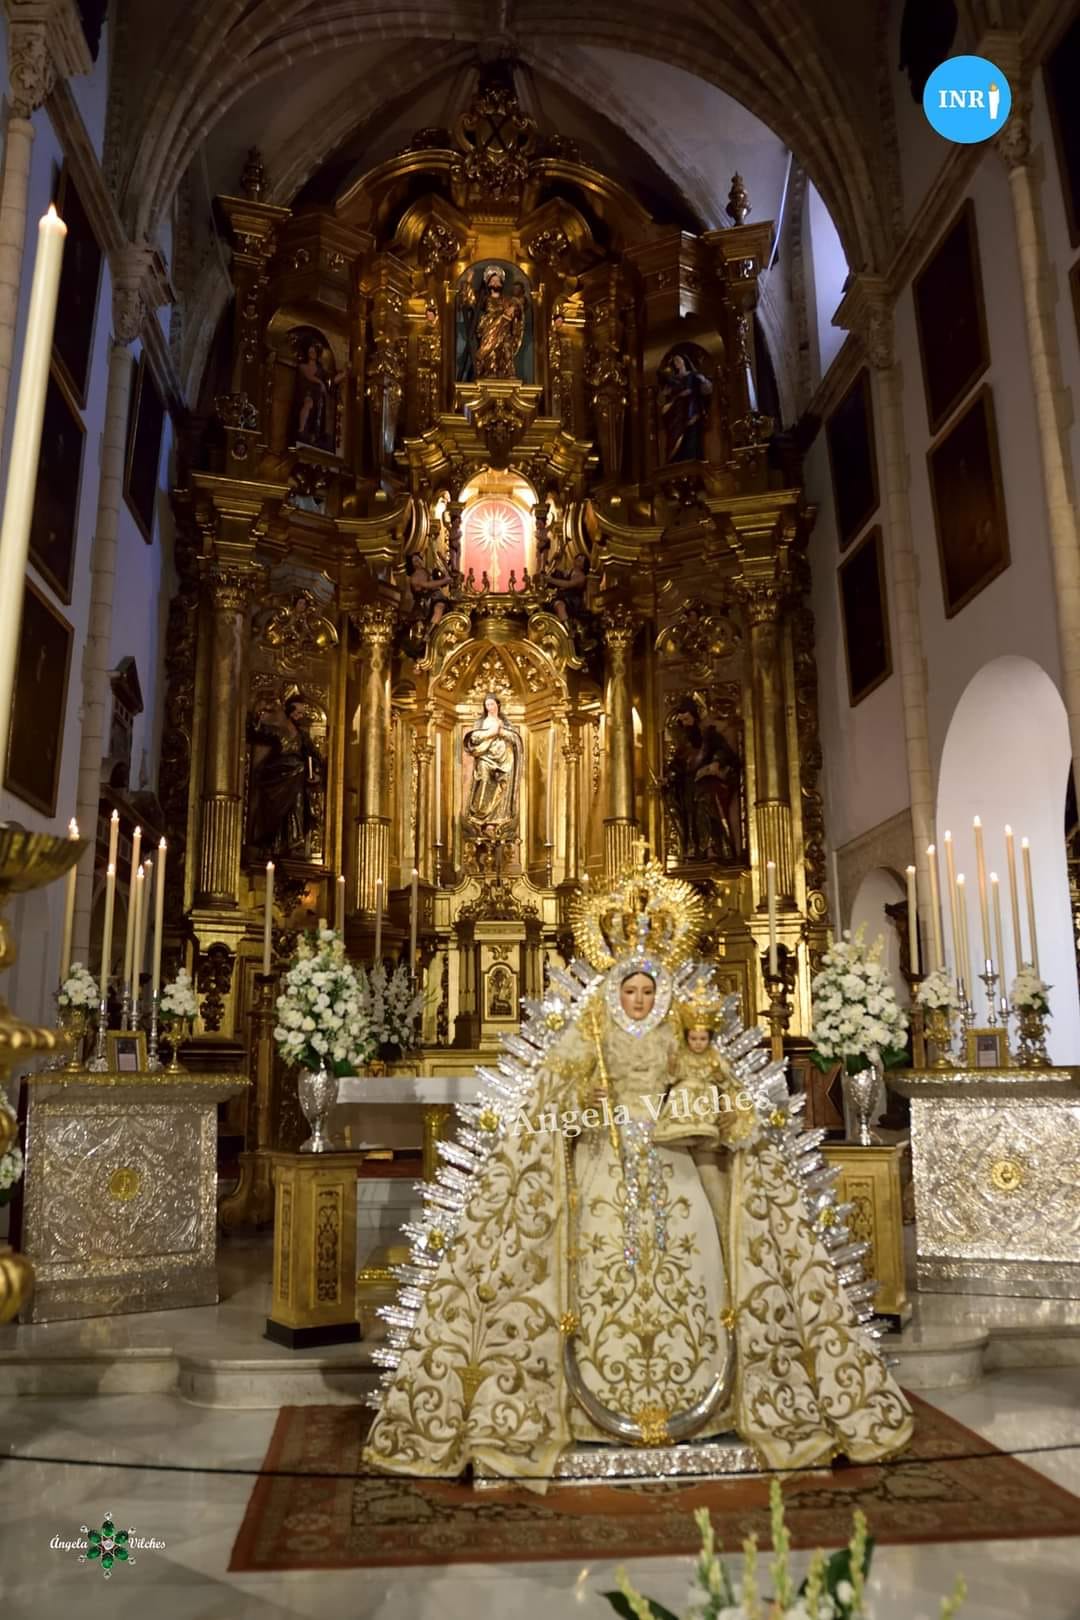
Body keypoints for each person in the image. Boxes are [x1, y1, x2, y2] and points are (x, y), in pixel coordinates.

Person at [364, 856, 913, 1488]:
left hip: (672, 1161)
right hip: (603, 1160)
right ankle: (592, 1397)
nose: (639, 999)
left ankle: (699, 1393)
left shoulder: (683, 1031)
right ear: (614, 988)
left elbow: (720, 1091)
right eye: (630, 990)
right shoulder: (587, 1032)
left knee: (696, 1260)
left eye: (648, 991)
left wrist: (699, 1104)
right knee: (597, 1263)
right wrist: (585, 1100)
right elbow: (549, 1099)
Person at [246, 695, 324, 858]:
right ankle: (272, 843)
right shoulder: (279, 730)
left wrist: (316, 773)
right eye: (298, 712)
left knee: (296, 807)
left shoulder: (302, 736)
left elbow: (314, 756)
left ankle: (293, 842)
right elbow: (257, 732)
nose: (300, 716)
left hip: (297, 778)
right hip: (278, 775)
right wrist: (259, 714)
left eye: (302, 713)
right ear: (289, 711)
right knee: (275, 812)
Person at [463, 693, 520, 827]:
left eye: (492, 704)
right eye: (487, 705)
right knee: (484, 781)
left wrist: (502, 732)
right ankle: (480, 815)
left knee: (502, 785)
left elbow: (514, 738)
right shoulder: (480, 722)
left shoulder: (505, 722)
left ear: (498, 705)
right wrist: (490, 733)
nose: (490, 707)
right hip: (485, 757)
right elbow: (473, 737)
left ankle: (498, 816)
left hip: (504, 760)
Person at [659, 349, 712, 462]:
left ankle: (692, 460)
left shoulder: (693, 375)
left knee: (691, 438)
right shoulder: (673, 379)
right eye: (675, 361)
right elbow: (664, 396)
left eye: (678, 360)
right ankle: (677, 461)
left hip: (691, 411)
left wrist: (703, 380)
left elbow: (706, 389)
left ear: (684, 361)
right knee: (675, 439)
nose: (676, 363)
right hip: (677, 415)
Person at [405, 552, 452, 629]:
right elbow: (428, 585)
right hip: (425, 602)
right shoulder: (414, 578)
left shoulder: (429, 570)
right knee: (439, 607)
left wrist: (443, 561)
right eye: (415, 561)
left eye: (419, 559)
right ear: (412, 564)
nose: (418, 561)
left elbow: (445, 575)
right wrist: (444, 581)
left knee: (443, 607)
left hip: (437, 596)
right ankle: (430, 632)